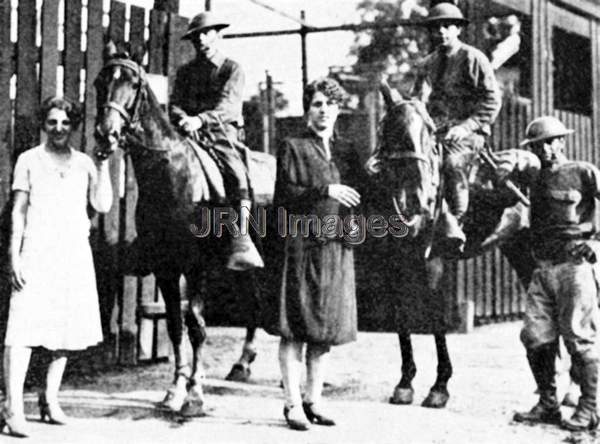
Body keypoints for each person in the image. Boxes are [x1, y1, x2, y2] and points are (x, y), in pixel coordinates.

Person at [1, 97, 113, 438]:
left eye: (65, 123)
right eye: (52, 122)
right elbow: (18, 211)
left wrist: (104, 165)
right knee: (21, 332)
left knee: (65, 330)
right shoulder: (29, 160)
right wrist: (14, 255)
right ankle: (13, 409)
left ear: (74, 125)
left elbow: (103, 204)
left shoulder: (84, 163)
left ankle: (49, 402)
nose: (59, 129)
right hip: (37, 252)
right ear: (43, 125)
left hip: (74, 254)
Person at [270, 78, 360, 431]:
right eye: (317, 104)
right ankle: (292, 404)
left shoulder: (348, 151)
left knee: (323, 332)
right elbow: (285, 196)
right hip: (301, 247)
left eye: (330, 104)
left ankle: (313, 401)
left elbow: (360, 197)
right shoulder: (292, 146)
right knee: (294, 329)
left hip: (335, 248)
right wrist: (325, 189)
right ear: (308, 109)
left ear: (339, 109)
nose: (323, 110)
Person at [511, 116, 600, 431]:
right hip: (543, 270)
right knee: (534, 337)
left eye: (551, 141)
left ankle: (589, 409)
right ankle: (548, 404)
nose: (546, 148)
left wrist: (593, 242)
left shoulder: (583, 172)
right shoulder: (533, 181)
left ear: (562, 141)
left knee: (579, 338)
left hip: (575, 268)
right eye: (539, 144)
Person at [170, 11, 263, 271]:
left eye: (206, 33)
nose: (201, 39)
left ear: (217, 34)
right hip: (187, 133)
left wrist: (200, 120)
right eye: (196, 35)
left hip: (221, 132)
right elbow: (174, 104)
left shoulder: (231, 68)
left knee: (236, 172)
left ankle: (241, 237)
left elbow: (228, 107)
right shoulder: (186, 72)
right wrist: (181, 119)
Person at [413, 2, 501, 255]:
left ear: (458, 29)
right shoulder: (426, 64)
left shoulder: (474, 58)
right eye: (436, 27)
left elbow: (492, 100)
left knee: (451, 164)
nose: (441, 31)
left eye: (447, 26)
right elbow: (417, 100)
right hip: (435, 133)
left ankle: (456, 222)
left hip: (468, 135)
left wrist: (466, 127)